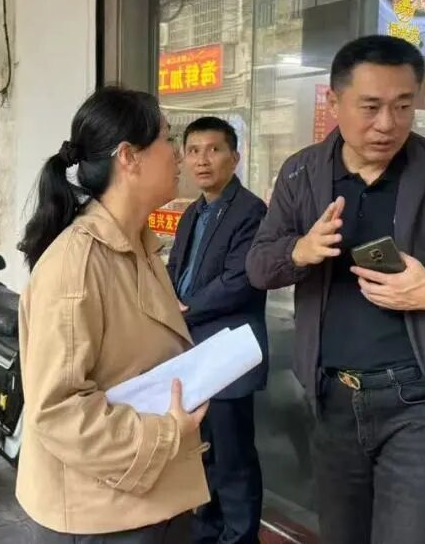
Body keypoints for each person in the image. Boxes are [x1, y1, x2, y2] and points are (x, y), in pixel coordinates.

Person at [246, 35, 425, 544]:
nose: (387, 124)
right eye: (370, 107)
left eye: (403, 106)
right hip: (334, 399)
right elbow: (259, 267)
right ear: (334, 102)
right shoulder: (302, 173)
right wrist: (300, 251)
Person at [17, 86, 210, 543]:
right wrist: (166, 434)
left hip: (147, 500)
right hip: (101, 517)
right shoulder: (76, 264)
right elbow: (58, 409)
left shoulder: (139, 247)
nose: (178, 154)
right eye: (166, 138)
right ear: (129, 157)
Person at [166, 117, 267, 544]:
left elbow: (241, 280)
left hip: (227, 354)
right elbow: (176, 268)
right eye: (193, 151)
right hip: (193, 353)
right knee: (202, 454)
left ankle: (240, 537)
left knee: (234, 459)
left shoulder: (251, 211)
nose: (202, 160)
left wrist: (184, 308)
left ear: (235, 157)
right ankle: (207, 533)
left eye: (214, 149)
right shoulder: (193, 212)